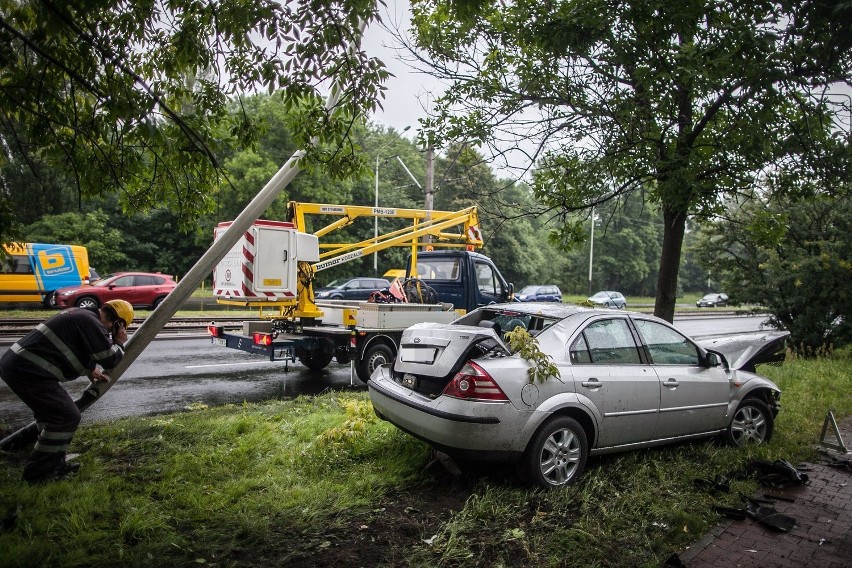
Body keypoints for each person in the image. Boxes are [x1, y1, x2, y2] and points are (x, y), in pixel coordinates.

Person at [0, 299, 133, 482]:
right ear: (119, 323)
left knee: (51, 418)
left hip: (21, 367)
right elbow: (110, 359)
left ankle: (55, 465)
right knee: (67, 416)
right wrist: (118, 342)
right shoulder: (92, 323)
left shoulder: (83, 316)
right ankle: (38, 475)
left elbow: (71, 347)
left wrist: (89, 370)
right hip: (29, 371)